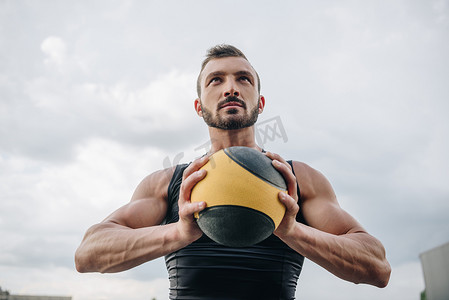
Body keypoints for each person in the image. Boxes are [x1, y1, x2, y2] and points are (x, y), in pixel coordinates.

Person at [75, 44, 391, 299]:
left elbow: (377, 268)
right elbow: (89, 254)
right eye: (216, 80)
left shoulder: (298, 179)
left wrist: (292, 231)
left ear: (260, 102)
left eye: (243, 79)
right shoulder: (169, 183)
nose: (231, 88)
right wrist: (178, 233)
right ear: (199, 106)